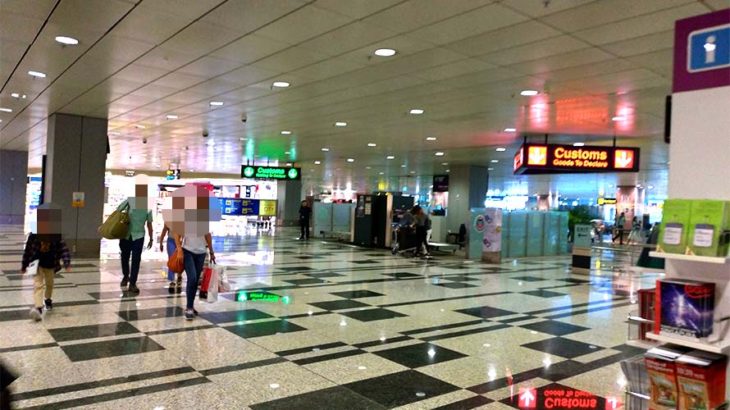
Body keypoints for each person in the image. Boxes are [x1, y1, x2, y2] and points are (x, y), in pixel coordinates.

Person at [20, 204, 71, 321]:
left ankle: (48, 299)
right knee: (38, 285)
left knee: (49, 284)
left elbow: (63, 249)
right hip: (36, 263)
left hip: (50, 263)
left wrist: (67, 263)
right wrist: (24, 265)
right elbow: (28, 251)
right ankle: (38, 308)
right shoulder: (33, 235)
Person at [118, 184, 153, 293]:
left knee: (136, 259)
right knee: (124, 257)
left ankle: (132, 283)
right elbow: (118, 210)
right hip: (126, 234)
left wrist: (151, 238)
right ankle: (125, 276)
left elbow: (149, 223)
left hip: (139, 236)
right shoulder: (130, 201)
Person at [175, 232, 215, 320]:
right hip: (187, 251)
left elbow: (207, 234)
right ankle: (189, 308)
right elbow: (177, 233)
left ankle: (191, 305)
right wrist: (179, 249)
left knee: (196, 280)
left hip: (201, 253)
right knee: (192, 278)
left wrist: (211, 252)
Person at [159, 224, 182, 294]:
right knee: (171, 259)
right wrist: (161, 243)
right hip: (171, 240)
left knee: (180, 259)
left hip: (181, 241)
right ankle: (172, 281)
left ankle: (179, 275)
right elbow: (164, 230)